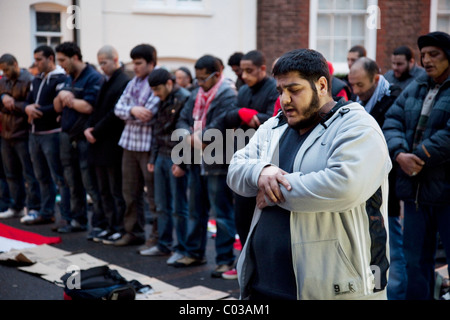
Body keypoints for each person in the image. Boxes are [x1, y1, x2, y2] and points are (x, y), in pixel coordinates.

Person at [227, 48, 391, 300]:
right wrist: (261, 171)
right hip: (263, 283)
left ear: (322, 85)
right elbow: (236, 167)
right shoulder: (275, 125)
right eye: (280, 91)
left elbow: (343, 186)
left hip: (332, 287)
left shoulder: (358, 125)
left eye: (294, 90)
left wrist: (271, 192)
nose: (285, 100)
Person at [382, 31, 450, 300]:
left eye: (434, 54)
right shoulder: (417, 85)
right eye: (424, 55)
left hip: (446, 191)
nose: (427, 60)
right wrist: (399, 154)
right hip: (415, 193)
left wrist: (418, 156)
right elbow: (391, 121)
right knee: (414, 264)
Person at [175, 55, 237, 278]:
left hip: (217, 162)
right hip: (196, 159)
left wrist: (198, 136)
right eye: (197, 79)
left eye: (203, 79)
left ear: (217, 75)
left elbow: (221, 125)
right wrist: (189, 136)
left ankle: (224, 259)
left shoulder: (228, 95)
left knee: (221, 213)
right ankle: (194, 252)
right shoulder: (196, 94)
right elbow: (182, 119)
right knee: (195, 210)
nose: (199, 83)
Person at [347, 57, 404, 300]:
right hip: (366, 187)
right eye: (352, 85)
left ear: (377, 79)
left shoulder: (392, 100)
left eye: (360, 85)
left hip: (387, 187)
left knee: (393, 248)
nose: (356, 91)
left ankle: (396, 294)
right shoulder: (359, 103)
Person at [223, 50, 278, 279]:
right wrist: (242, 113)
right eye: (241, 70)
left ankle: (263, 270)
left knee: (265, 222)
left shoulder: (273, 89)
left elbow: (275, 119)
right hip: (244, 159)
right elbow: (229, 116)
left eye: (249, 70)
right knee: (241, 218)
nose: (243, 75)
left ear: (262, 69)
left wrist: (253, 116)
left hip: (267, 161)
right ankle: (244, 263)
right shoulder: (243, 90)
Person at [53, 42, 105, 234]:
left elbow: (89, 106)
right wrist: (61, 96)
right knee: (71, 181)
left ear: (75, 57)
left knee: (90, 182)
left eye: (63, 60)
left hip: (84, 137)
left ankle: (100, 224)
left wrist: (69, 99)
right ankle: (77, 220)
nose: (61, 65)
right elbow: (57, 107)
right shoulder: (68, 78)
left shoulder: (93, 77)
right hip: (67, 135)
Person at [141, 68, 190, 265]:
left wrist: (182, 162)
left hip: (175, 157)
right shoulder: (163, 97)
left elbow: (186, 132)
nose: (154, 94)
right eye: (152, 90)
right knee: (161, 204)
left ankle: (182, 248)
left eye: (157, 89)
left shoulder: (184, 98)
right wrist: (153, 157)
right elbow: (158, 128)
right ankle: (164, 244)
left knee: (179, 206)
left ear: (169, 84)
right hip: (162, 155)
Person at [113, 44, 159, 247]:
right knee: (130, 193)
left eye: (139, 63)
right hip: (129, 144)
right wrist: (133, 110)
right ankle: (133, 232)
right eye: (134, 63)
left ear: (151, 63)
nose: (135, 67)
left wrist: (130, 111)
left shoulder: (156, 82)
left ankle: (156, 237)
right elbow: (118, 109)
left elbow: (148, 115)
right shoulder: (133, 82)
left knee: (153, 196)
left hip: (148, 146)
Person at [19, 45, 70, 226]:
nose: (36, 63)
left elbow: (59, 106)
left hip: (52, 134)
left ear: (50, 58)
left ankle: (66, 216)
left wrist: (37, 111)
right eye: (35, 59)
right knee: (40, 176)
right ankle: (46, 212)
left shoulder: (61, 78)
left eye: (39, 59)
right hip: (35, 133)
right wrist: (27, 107)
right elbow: (29, 100)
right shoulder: (37, 79)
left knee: (58, 177)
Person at [84, 45, 130, 243]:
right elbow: (97, 109)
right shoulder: (106, 79)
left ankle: (119, 227)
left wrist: (95, 130)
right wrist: (89, 127)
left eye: (104, 62)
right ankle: (110, 225)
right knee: (103, 189)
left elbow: (115, 113)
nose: (101, 66)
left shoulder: (123, 80)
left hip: (112, 142)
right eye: (100, 62)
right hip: (99, 141)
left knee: (115, 190)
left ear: (115, 59)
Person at [0, 54, 41, 219]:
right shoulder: (3, 81)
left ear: (15, 64)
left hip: (23, 133)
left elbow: (30, 107)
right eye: (3, 70)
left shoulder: (29, 79)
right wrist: (3, 97)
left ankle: (33, 207)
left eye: (7, 69)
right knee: (11, 173)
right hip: (6, 133)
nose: (5, 73)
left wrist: (12, 104)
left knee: (29, 174)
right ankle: (16, 206)